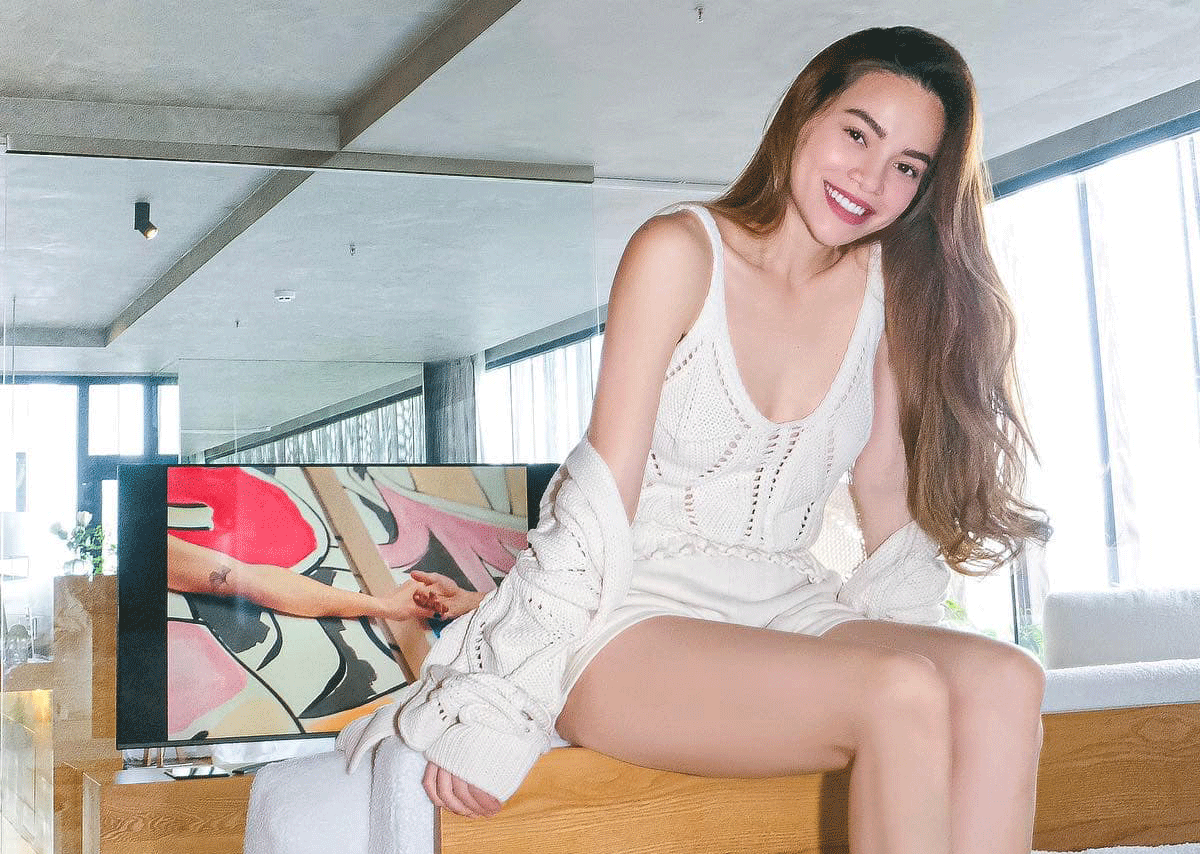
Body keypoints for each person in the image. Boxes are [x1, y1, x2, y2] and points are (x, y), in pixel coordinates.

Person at [342, 26, 1052, 854]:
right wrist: (501, 703)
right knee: (900, 693)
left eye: (907, 166)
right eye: (858, 135)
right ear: (804, 116)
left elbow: (885, 487)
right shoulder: (679, 252)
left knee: (1007, 680)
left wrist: (912, 640)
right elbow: (601, 493)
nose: (871, 179)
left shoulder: (886, 292)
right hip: (631, 620)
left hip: (788, 604)